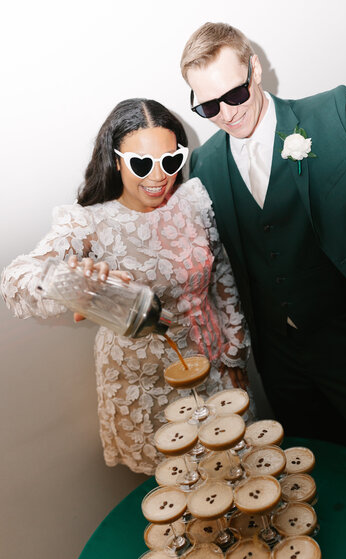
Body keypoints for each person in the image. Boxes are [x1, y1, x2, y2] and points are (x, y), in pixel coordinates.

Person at [180, 22, 346, 474]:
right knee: (314, 479)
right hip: (281, 365)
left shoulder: (331, 115)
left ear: (255, 70)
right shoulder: (203, 166)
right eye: (208, 105)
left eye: (234, 95)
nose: (225, 113)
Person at [1, 98, 250, 475]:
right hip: (145, 389)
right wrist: (71, 281)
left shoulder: (193, 199)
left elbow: (221, 277)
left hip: (213, 368)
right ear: (115, 159)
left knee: (237, 477)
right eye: (141, 163)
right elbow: (13, 281)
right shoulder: (89, 223)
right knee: (179, 501)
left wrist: (235, 354)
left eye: (170, 161)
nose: (158, 176)